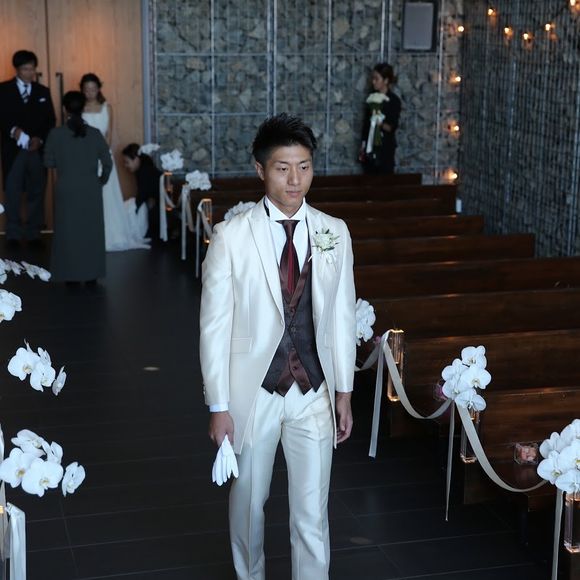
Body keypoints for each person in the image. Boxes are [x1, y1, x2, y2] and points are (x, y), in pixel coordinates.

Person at [200, 113, 356, 580]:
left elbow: (342, 316)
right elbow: (214, 326)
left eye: (304, 167)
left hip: (314, 391)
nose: (295, 180)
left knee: (312, 512)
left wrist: (344, 391)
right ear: (260, 169)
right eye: (283, 168)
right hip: (254, 393)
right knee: (249, 503)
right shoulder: (231, 236)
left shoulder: (334, 231)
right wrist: (219, 405)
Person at [44, 91, 112, 284]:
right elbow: (107, 163)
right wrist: (100, 181)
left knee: (68, 233)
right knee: (91, 233)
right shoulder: (95, 134)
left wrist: (64, 164)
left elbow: (48, 161)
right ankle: (92, 275)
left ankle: (70, 275)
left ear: (64, 109)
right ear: (83, 108)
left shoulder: (56, 134)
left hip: (66, 188)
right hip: (91, 188)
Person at [80, 73, 150, 251]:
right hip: (85, 156)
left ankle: (112, 233)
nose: (90, 92)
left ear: (98, 89)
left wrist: (102, 153)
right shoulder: (79, 108)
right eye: (87, 89)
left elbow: (109, 135)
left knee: (107, 194)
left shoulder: (107, 107)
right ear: (82, 90)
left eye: (93, 89)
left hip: (103, 154)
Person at [0, 50, 56, 246]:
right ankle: (13, 234)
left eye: (32, 69)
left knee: (37, 191)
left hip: (36, 150)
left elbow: (50, 120)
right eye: (25, 69)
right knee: (13, 192)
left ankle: (34, 234)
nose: (30, 73)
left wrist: (40, 139)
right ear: (17, 69)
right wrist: (13, 130)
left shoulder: (43, 91)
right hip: (13, 151)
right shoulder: (3, 89)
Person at [359, 62, 401, 174]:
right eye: (373, 78)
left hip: (385, 150)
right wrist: (363, 146)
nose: (373, 82)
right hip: (370, 149)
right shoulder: (371, 99)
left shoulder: (394, 101)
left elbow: (392, 127)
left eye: (376, 79)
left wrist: (379, 123)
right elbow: (366, 125)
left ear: (386, 80)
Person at [122, 143, 162, 239]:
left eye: (127, 162)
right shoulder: (143, 169)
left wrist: (134, 210)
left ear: (136, 159)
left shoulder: (145, 171)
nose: (125, 166)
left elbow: (142, 194)